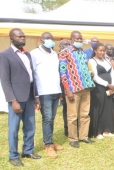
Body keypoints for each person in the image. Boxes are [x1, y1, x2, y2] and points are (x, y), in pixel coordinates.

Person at [0, 28, 42, 166]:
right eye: (19, 37)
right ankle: (13, 155)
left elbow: (32, 77)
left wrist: (36, 96)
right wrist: (13, 100)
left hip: (29, 96)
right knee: (14, 128)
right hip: (16, 99)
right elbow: (5, 81)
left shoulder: (28, 55)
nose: (23, 39)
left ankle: (28, 150)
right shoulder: (5, 55)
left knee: (30, 126)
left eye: (24, 37)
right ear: (11, 39)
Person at [59, 31, 96, 148]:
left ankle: (84, 136)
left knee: (85, 114)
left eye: (81, 39)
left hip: (85, 87)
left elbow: (85, 68)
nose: (79, 41)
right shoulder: (64, 53)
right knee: (73, 116)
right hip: (73, 89)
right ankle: (73, 138)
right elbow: (62, 72)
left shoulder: (83, 53)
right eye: (77, 39)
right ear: (71, 39)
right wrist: (67, 89)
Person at [30, 32, 63, 158]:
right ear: (41, 40)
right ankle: (48, 145)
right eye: (47, 38)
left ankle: (50, 141)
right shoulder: (34, 53)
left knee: (52, 117)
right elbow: (32, 74)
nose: (50, 40)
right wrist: (36, 95)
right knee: (47, 118)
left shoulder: (54, 54)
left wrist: (59, 90)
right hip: (43, 92)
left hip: (55, 90)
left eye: (52, 38)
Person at [88, 43, 114, 139]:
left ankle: (106, 130)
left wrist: (113, 85)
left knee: (108, 108)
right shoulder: (92, 61)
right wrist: (107, 84)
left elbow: (112, 73)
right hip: (98, 88)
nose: (102, 52)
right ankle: (98, 132)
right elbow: (95, 76)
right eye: (100, 50)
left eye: (103, 51)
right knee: (99, 109)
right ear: (95, 51)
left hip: (109, 89)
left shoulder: (107, 61)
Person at [59, 39, 70, 137]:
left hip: (71, 85)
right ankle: (67, 129)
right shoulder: (58, 56)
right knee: (66, 108)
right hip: (62, 86)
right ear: (60, 46)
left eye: (68, 44)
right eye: (64, 44)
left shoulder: (71, 55)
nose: (67, 46)